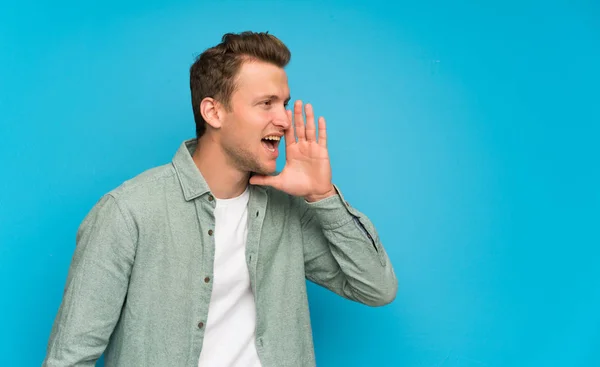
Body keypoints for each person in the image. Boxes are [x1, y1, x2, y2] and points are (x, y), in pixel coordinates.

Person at [43, 31, 397, 367]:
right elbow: (69, 357)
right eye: (266, 104)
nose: (285, 120)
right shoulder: (128, 213)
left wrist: (323, 196)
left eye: (284, 104)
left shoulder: (288, 211)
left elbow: (376, 288)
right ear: (213, 112)